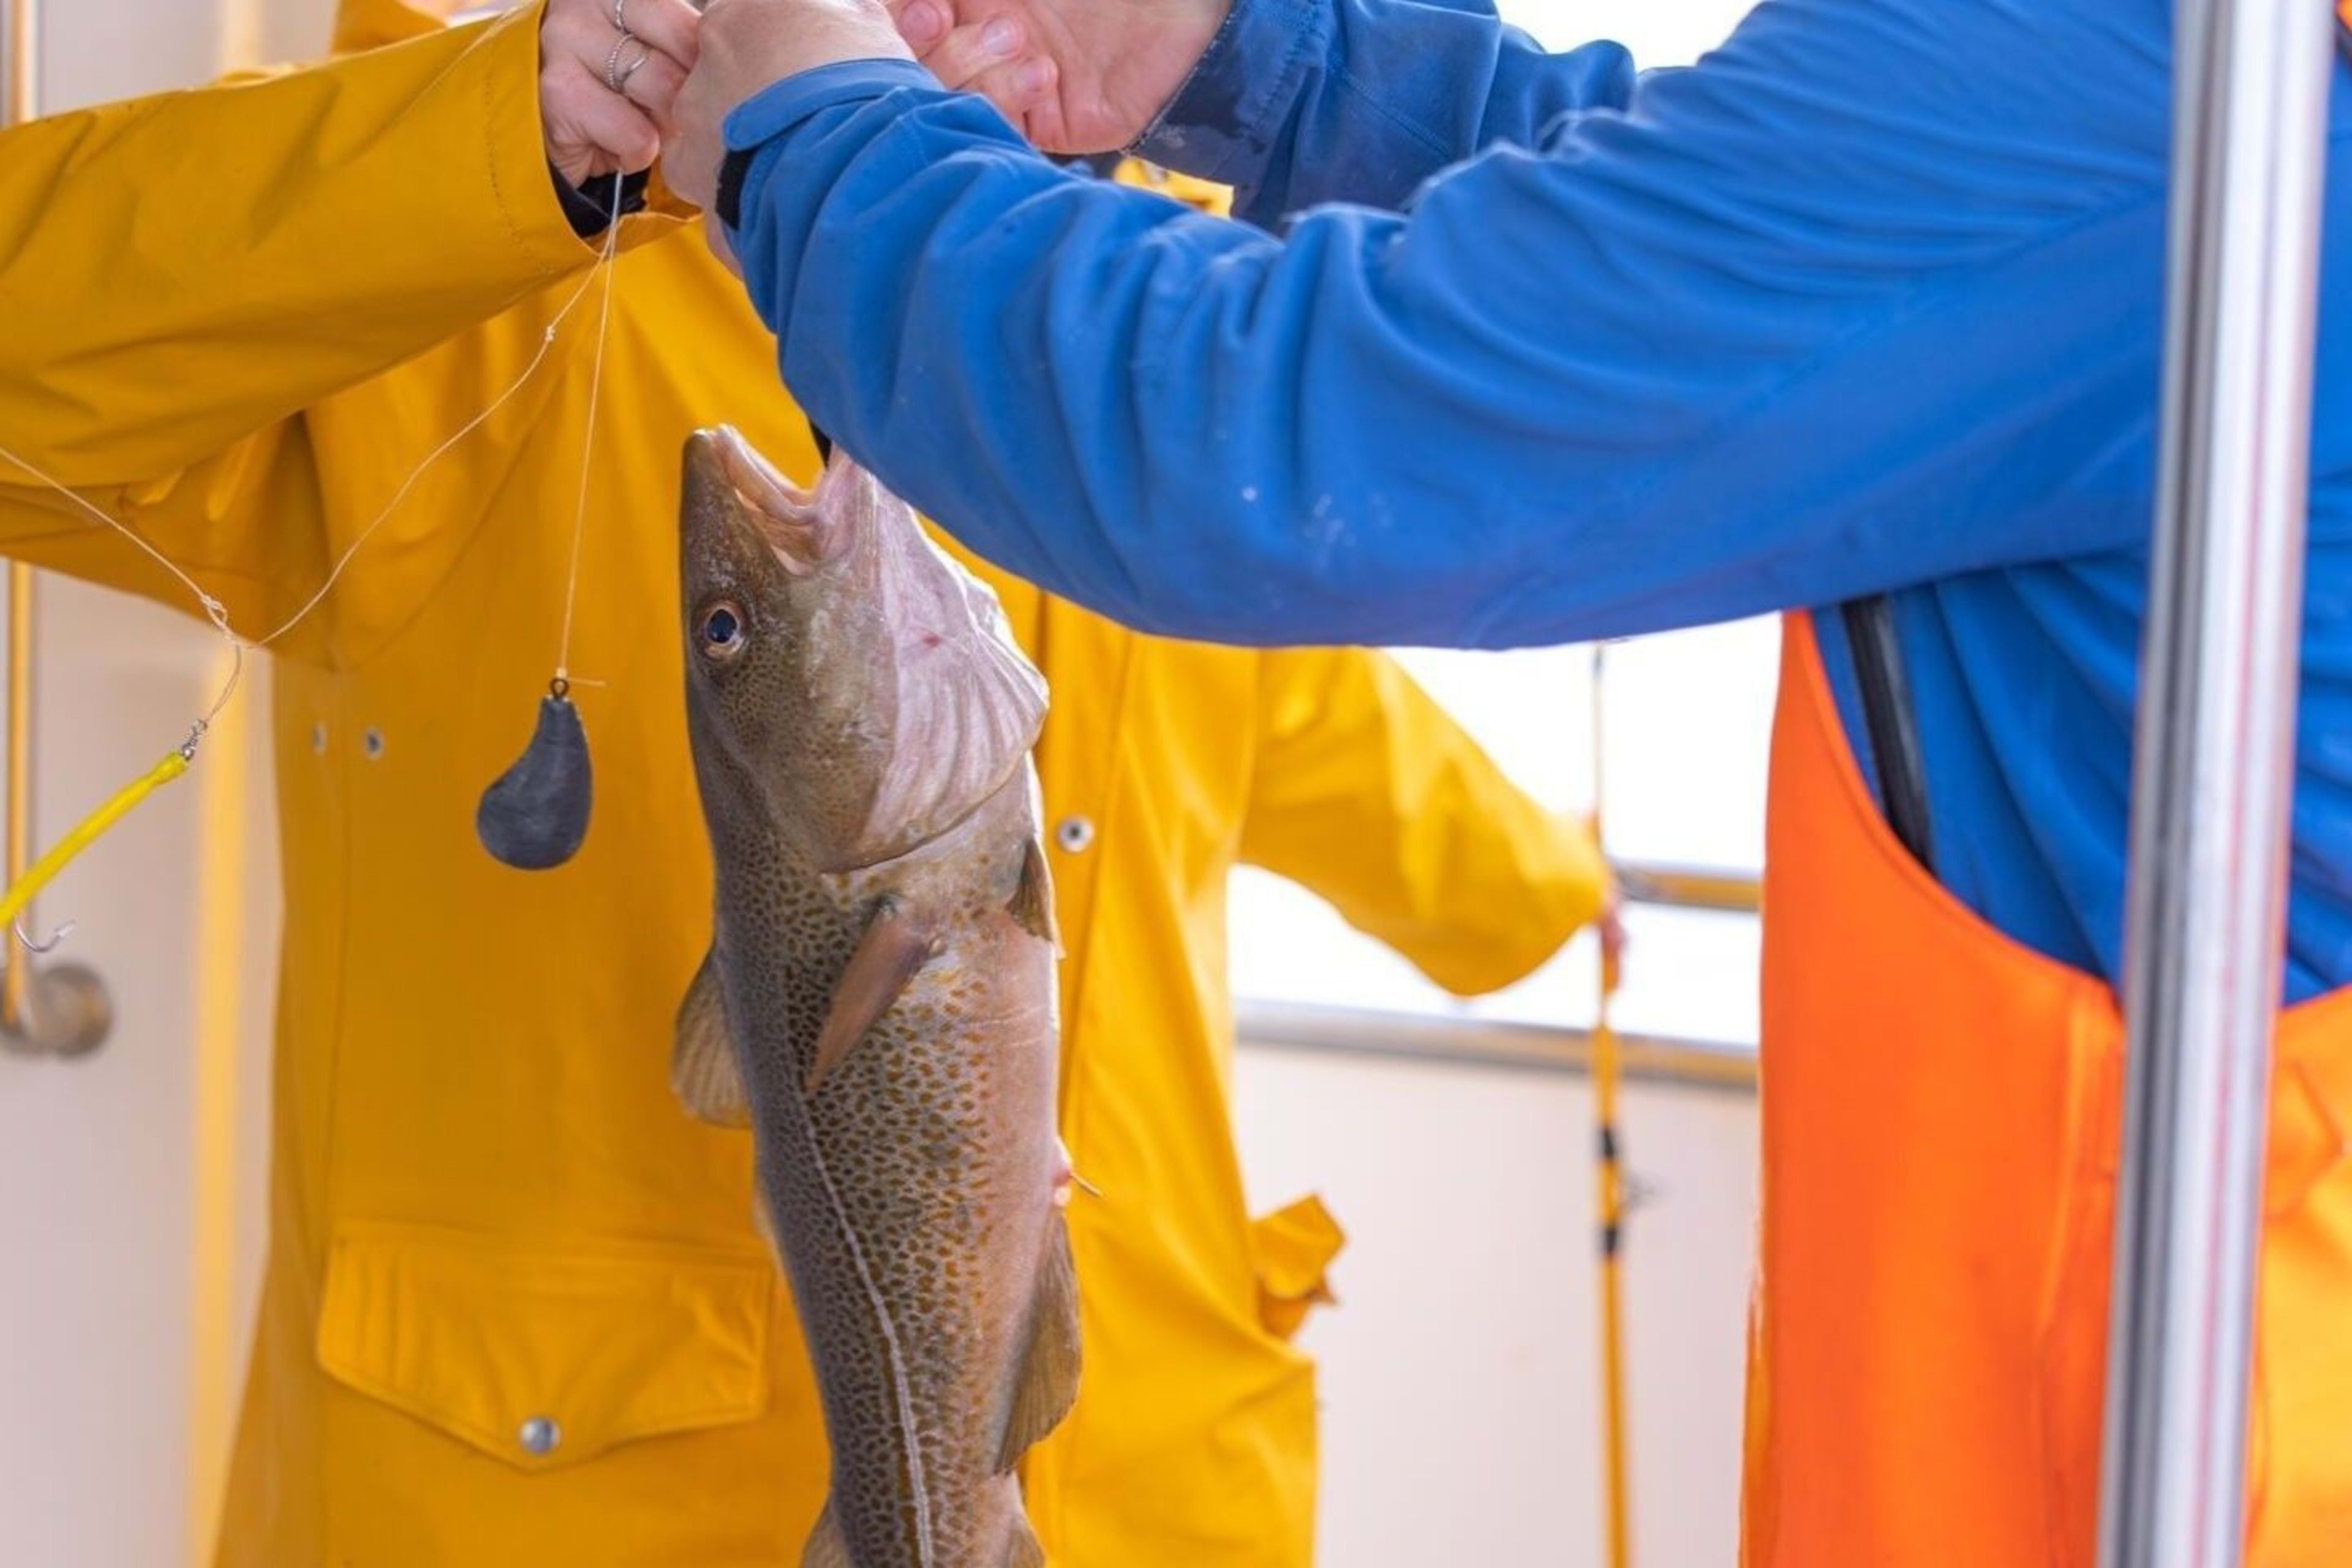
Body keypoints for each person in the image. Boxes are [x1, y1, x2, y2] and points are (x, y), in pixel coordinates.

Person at [661, 0, 2352, 1561]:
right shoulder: (2190, 93)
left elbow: (1282, 435)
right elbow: (1761, 210)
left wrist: (815, 140)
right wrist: (1247, 56)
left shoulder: (2124, 86)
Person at [0, 2, 1612, 1562]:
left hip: (1147, 1492)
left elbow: (1310, 710)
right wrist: (539, 133)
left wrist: (1543, 895)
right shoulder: (450, 247)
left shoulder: (1168, 282)